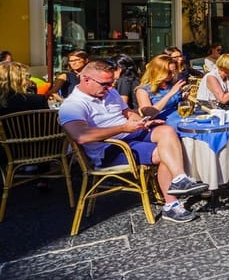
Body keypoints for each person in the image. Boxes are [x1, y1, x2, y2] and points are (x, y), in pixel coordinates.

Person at [59, 59, 208, 223]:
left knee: (166, 131)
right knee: (164, 153)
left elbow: (127, 112)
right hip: (109, 148)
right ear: (86, 80)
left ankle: (179, 179)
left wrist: (141, 122)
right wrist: (123, 128)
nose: (110, 88)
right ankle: (171, 205)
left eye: (111, 83)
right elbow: (81, 136)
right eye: (105, 84)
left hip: (129, 134)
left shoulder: (109, 92)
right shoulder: (73, 105)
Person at [135, 55, 188, 125]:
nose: (172, 75)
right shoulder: (143, 91)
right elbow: (149, 114)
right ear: (158, 71)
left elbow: (179, 105)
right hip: (165, 123)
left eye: (173, 71)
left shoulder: (171, 84)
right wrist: (170, 93)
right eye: (169, 72)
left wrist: (184, 98)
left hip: (182, 118)